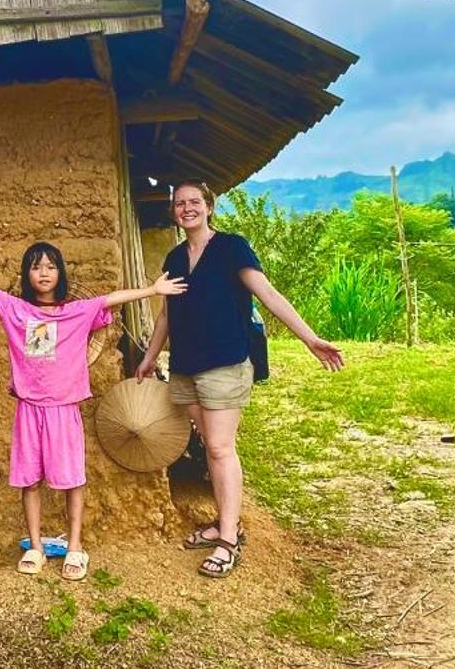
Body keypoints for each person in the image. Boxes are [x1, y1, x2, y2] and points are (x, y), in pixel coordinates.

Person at [0, 243, 185, 580]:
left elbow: (112, 299)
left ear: (60, 273)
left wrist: (152, 290)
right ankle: (37, 547)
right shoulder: (16, 310)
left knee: (73, 479)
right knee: (29, 480)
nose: (44, 272)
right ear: (27, 274)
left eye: (51, 266)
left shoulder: (77, 311)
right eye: (36, 266)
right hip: (29, 410)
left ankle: (75, 546)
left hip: (63, 409)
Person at [135, 180, 344, 578]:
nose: (187, 208)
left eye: (194, 201)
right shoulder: (176, 257)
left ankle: (228, 538)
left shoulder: (232, 248)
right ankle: (225, 521)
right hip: (186, 364)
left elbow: (268, 294)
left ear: (209, 206)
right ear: (174, 211)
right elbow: (166, 315)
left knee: (219, 446)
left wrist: (310, 338)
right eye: (180, 204)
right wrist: (149, 358)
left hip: (225, 362)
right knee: (212, 447)